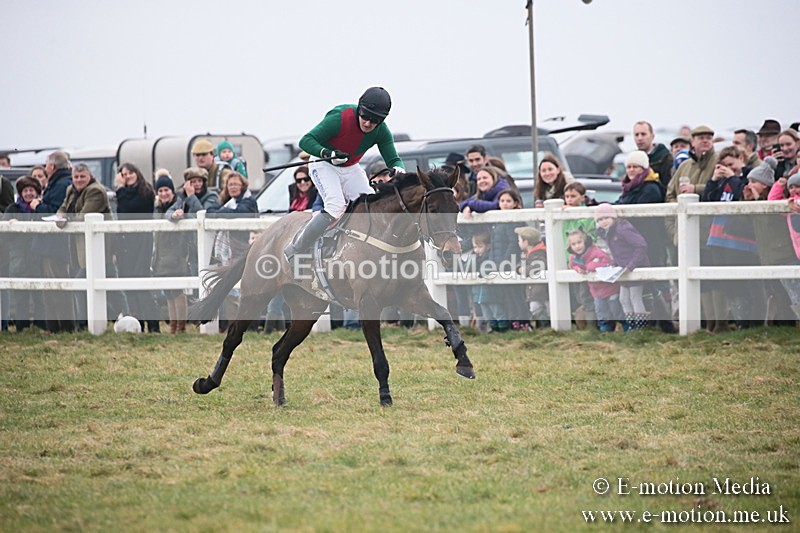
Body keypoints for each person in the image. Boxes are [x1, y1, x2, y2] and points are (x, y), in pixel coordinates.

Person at [284, 86, 405, 263]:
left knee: (370, 206)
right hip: (323, 164)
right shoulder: (339, 118)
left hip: (350, 168)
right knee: (335, 206)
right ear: (359, 109)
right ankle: (296, 249)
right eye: (365, 116)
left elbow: (394, 159)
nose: (368, 124)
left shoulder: (382, 131)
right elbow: (305, 141)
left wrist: (399, 170)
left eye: (375, 120)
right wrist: (328, 153)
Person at [701, 146, 760, 331]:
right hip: (718, 239)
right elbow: (706, 203)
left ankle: (746, 324)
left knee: (742, 282)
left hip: (740, 240)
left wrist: (732, 177)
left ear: (741, 158)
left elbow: (743, 195)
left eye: (731, 164)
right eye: (724, 165)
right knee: (727, 284)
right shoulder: (721, 181)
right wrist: (712, 180)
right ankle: (737, 321)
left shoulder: (749, 175)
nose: (727, 168)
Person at [56, 162, 112, 329]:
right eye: (76, 177)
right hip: (80, 246)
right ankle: (86, 322)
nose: (79, 180)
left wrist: (66, 220)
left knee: (85, 284)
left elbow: (84, 216)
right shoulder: (71, 190)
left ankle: (85, 323)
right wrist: (59, 217)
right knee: (92, 285)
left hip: (99, 247)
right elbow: (63, 208)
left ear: (90, 176)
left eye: (82, 177)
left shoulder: (96, 191)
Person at [744, 157, 799, 325]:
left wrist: (759, 201)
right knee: (782, 292)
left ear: (765, 184)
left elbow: (768, 215)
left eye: (754, 181)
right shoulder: (783, 201)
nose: (749, 185)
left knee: (794, 292)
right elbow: (746, 221)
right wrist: (749, 201)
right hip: (771, 253)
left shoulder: (784, 203)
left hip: (782, 252)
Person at [30, 151, 75, 332]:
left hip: (54, 246)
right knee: (51, 287)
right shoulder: (59, 183)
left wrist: (37, 206)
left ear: (52, 166)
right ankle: (55, 326)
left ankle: (63, 327)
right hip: (50, 245)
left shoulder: (60, 184)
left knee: (57, 286)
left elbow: (53, 211)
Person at [207, 172, 257, 329]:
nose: (233, 187)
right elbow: (209, 211)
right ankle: (231, 324)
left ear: (243, 186)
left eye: (236, 184)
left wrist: (219, 214)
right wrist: (221, 213)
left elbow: (239, 214)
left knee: (244, 289)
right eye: (230, 185)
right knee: (229, 289)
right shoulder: (227, 202)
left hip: (243, 248)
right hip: (227, 251)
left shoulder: (248, 201)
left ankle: (245, 325)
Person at [114, 162, 160, 333]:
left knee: (142, 284)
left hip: (141, 242)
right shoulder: (124, 193)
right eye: (123, 174)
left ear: (137, 173)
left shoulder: (146, 191)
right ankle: (137, 324)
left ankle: (153, 326)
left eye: (130, 173)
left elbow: (129, 209)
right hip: (126, 243)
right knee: (130, 285)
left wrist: (119, 189)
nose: (127, 176)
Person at [594, 203, 651, 330]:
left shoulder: (623, 229)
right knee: (624, 299)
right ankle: (632, 326)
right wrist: (616, 264)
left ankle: (641, 328)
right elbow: (619, 251)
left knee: (635, 298)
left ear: (613, 217)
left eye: (606, 218)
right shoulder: (609, 232)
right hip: (623, 270)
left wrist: (631, 265)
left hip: (636, 267)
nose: (604, 222)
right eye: (600, 220)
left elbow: (641, 246)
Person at [2, 176, 46, 331]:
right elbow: (6, 234)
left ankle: (41, 325)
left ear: (36, 192)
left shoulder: (42, 208)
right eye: (25, 191)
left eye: (31, 190)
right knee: (20, 294)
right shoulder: (13, 209)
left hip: (37, 255)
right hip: (19, 256)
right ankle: (22, 327)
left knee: (39, 294)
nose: (28, 194)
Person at [152, 170, 189, 334]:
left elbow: (174, 218)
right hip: (161, 255)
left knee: (178, 292)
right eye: (160, 191)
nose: (164, 193)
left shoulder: (178, 204)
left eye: (166, 190)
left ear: (172, 191)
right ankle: (173, 325)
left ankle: (181, 326)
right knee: (168, 292)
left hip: (175, 255)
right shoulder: (158, 208)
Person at [567, 228, 622, 333]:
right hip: (596, 290)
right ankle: (604, 331)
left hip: (609, 287)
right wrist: (578, 269)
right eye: (573, 244)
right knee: (601, 311)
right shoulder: (573, 257)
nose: (577, 246)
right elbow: (573, 265)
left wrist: (591, 266)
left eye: (579, 242)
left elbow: (608, 261)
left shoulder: (596, 251)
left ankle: (624, 326)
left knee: (615, 309)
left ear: (585, 241)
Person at [767, 172, 800, 321]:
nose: (794, 190)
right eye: (791, 187)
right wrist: (780, 184)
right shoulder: (789, 205)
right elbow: (772, 201)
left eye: (798, 186)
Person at [515, 226, 548, 328]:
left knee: (545, 311)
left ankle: (548, 329)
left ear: (526, 241)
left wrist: (523, 270)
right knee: (535, 309)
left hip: (542, 291)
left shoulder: (539, 253)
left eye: (519, 240)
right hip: (536, 291)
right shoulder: (528, 254)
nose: (518, 242)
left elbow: (539, 265)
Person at [633, 121, 673, 188]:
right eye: (636, 135)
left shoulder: (664, 157)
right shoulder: (633, 160)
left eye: (643, 134)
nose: (639, 138)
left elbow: (669, 186)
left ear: (652, 136)